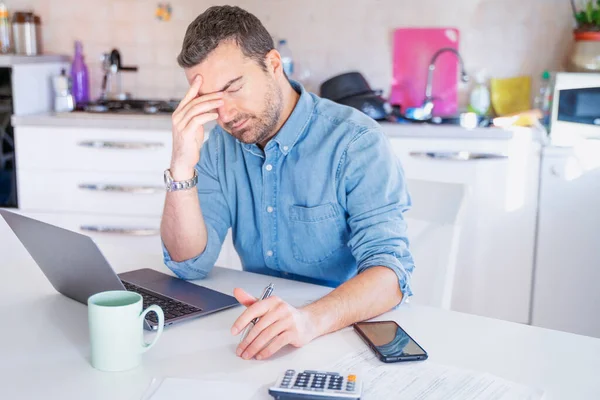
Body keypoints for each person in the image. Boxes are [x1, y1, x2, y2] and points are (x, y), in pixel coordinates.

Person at [160, 5, 415, 361]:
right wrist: (182, 167)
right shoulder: (218, 145)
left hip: (340, 332)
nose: (225, 114)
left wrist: (308, 321)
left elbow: (391, 274)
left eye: (233, 87)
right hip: (259, 330)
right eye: (208, 100)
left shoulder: (355, 141)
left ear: (274, 65)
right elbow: (190, 264)